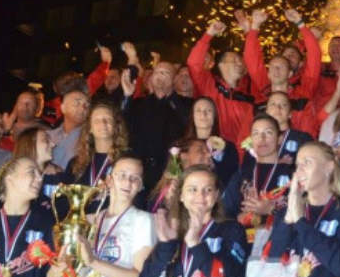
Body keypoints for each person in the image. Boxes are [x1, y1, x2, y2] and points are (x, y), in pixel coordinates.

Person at [269, 142, 340, 277]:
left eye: (307, 163)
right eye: (297, 165)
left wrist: (300, 222)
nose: (299, 171)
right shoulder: (287, 213)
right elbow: (272, 262)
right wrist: (289, 218)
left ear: (329, 167)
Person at [140, 165, 248, 277]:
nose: (200, 195)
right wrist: (166, 247)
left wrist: (195, 244)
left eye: (208, 190)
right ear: (181, 195)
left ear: (216, 195)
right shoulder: (173, 232)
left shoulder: (232, 230)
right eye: (192, 189)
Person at [77, 155, 155, 277]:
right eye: (122, 175)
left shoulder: (144, 221)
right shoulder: (89, 220)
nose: (128, 182)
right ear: (109, 180)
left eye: (135, 178)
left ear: (140, 186)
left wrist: (93, 262)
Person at [242, 8, 322, 137]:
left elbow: (314, 56)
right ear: (268, 74)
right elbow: (251, 59)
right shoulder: (261, 94)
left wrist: (300, 23)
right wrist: (255, 26)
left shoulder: (303, 93)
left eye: (281, 67)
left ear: (290, 74)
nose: (276, 69)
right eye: (273, 67)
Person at [221, 116, 294, 247]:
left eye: (268, 132)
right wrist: (239, 219)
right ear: (251, 140)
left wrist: (271, 209)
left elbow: (301, 217)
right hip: (243, 245)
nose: (262, 138)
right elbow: (224, 214)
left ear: (279, 139)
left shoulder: (293, 176)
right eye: (256, 134)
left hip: (278, 248)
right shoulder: (242, 174)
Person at [122, 62, 192, 191]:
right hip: (139, 173)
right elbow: (122, 125)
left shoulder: (186, 104)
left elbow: (188, 121)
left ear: (174, 79)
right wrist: (127, 97)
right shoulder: (138, 104)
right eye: (157, 72)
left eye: (165, 72)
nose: (160, 75)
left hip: (168, 174)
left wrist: (171, 97)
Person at [187, 21, 256, 151]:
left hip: (243, 155)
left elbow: (255, 62)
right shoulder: (209, 84)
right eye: (234, 60)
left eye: (241, 61)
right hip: (213, 153)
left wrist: (249, 33)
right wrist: (209, 34)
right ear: (221, 65)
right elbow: (193, 63)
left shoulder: (250, 91)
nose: (239, 63)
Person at [183, 97, 239, 190]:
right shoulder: (181, 146)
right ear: (192, 116)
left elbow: (232, 178)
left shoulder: (228, 147)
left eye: (208, 111)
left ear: (215, 116)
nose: (203, 114)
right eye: (198, 111)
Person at [69, 102, 130, 188]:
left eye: (108, 119)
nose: (103, 123)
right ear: (90, 128)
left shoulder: (127, 160)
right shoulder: (75, 164)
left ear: (116, 126)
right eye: (97, 120)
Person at [12, 126, 69, 207]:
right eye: (46, 140)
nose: (53, 145)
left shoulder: (57, 178)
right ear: (30, 145)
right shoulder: (13, 179)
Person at [251, 92, 314, 165]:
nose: (278, 108)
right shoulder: (255, 139)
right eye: (273, 104)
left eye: (283, 105)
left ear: (290, 113)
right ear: (266, 112)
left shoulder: (303, 138)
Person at [49, 90, 90, 170]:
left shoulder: (89, 139)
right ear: (63, 108)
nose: (83, 108)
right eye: (77, 103)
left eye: (86, 105)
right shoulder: (47, 136)